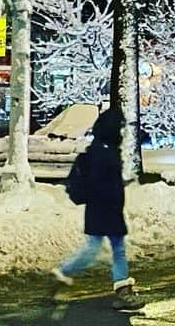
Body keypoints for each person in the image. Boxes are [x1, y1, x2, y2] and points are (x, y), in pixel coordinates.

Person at [51, 106, 145, 311]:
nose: (121, 132)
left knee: (95, 247)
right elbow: (103, 183)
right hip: (107, 210)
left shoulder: (99, 149)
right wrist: (116, 188)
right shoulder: (106, 152)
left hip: (100, 209)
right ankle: (121, 291)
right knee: (112, 250)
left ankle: (65, 271)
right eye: (120, 128)